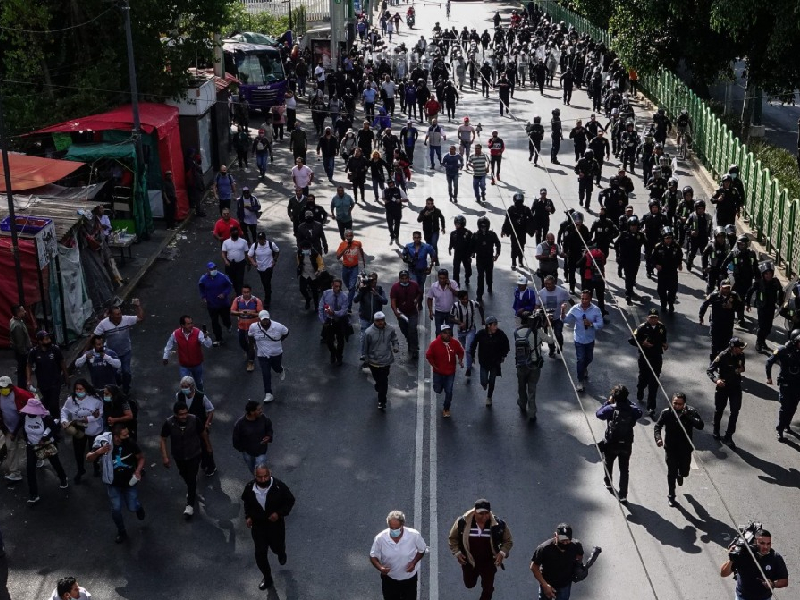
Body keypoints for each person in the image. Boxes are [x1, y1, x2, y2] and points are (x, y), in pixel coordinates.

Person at [86, 424, 145, 542]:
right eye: (125, 435)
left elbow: (141, 458)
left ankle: (138, 508)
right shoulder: (104, 443)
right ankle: (121, 531)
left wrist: (138, 471)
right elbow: (88, 458)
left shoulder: (130, 443)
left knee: (132, 506)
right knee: (116, 509)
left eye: (127, 433)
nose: (128, 436)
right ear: (116, 437)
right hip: (112, 483)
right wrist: (99, 452)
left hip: (129, 482)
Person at [242, 465, 296, 590]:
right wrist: (248, 517)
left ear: (270, 474)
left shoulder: (278, 487)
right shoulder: (250, 488)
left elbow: (290, 500)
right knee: (260, 554)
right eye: (259, 477)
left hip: (275, 526)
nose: (263, 479)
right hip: (258, 526)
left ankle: (281, 553)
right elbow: (247, 503)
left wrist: (279, 513)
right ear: (255, 476)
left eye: (265, 476)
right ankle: (267, 578)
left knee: (277, 547)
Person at [448, 499, 513, 600]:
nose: (484, 516)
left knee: (488, 588)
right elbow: (453, 538)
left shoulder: (498, 524)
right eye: (481, 514)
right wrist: (457, 552)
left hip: (489, 562)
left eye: (487, 513)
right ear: (475, 512)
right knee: (469, 584)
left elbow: (508, 540)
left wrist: (502, 553)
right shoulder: (462, 522)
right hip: (469, 561)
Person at [653, 392, 704, 506]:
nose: (677, 406)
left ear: (684, 404)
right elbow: (657, 426)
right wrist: (658, 438)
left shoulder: (691, 411)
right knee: (671, 472)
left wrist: (688, 416)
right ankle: (671, 495)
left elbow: (700, 425)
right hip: (671, 448)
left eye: (680, 404)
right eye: (675, 403)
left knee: (685, 471)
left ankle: (681, 475)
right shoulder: (666, 413)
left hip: (685, 449)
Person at [596, 384, 642, 504]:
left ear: (614, 397)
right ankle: (623, 495)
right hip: (626, 443)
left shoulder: (611, 408)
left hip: (611, 443)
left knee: (608, 463)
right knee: (624, 469)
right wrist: (629, 402)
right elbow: (640, 413)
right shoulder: (632, 409)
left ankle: (608, 482)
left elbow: (598, 414)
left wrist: (607, 402)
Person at [19, 398, 68, 505]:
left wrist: (45, 438)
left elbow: (55, 428)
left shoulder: (46, 418)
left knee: (55, 463)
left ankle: (63, 478)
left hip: (46, 445)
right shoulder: (23, 417)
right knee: (30, 469)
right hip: (31, 445)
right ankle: (33, 494)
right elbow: (20, 427)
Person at [160, 400, 203, 519]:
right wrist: (165, 456)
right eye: (181, 414)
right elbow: (163, 438)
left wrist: (207, 448)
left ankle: (190, 505)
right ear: (175, 414)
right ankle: (191, 489)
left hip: (194, 454)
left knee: (191, 477)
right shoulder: (169, 423)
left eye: (186, 413)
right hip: (179, 456)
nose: (184, 416)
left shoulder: (194, 420)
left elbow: (203, 434)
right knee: (184, 474)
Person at [370, 510, 427, 600]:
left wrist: (414, 562)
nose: (394, 531)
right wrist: (381, 568)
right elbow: (373, 556)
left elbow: (421, 550)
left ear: (402, 525)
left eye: (396, 528)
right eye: (391, 528)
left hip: (409, 579)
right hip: (389, 580)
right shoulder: (380, 538)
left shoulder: (414, 535)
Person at [92, 300, 144, 396]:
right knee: (114, 373)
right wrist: (86, 351)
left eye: (120, 313)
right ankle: (118, 384)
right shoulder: (104, 324)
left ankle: (125, 389)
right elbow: (95, 335)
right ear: (111, 316)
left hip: (125, 352)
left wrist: (138, 306)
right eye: (116, 314)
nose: (119, 316)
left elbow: (140, 318)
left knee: (126, 372)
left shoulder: (126, 319)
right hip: (112, 354)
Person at [720, 528, 788, 600]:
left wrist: (773, 584)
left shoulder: (775, 558)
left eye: (768, 544)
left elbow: (784, 581)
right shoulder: (743, 554)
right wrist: (731, 559)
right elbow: (723, 573)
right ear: (755, 542)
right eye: (762, 543)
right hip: (742, 597)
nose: (766, 547)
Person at [60, 379, 103, 483]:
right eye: (77, 389)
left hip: (94, 430)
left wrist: (88, 419)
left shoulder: (95, 399)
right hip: (79, 430)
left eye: (81, 389)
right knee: (78, 452)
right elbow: (64, 411)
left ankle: (96, 468)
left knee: (95, 450)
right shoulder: (71, 400)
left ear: (86, 389)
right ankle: (80, 470)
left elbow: (100, 413)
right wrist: (64, 421)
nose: (78, 391)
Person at [707, 337, 747, 449]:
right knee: (719, 409)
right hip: (723, 387)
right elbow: (709, 370)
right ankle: (716, 429)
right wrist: (716, 380)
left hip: (735, 387)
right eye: (740, 347)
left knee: (735, 411)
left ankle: (729, 436)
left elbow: (742, 368)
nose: (742, 349)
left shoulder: (741, 355)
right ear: (733, 348)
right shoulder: (722, 356)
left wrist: (739, 370)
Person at [563, 290, 604, 393]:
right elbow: (566, 320)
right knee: (580, 359)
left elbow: (600, 324)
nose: (584, 301)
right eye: (582, 298)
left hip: (590, 339)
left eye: (586, 299)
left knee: (589, 358)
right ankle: (580, 381)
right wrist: (562, 311)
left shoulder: (596, 310)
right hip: (579, 339)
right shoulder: (575, 309)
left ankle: (584, 368)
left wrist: (591, 324)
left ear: (590, 299)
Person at [530, 524, 584, 600]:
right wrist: (545, 585)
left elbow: (579, 556)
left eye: (568, 540)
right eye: (562, 539)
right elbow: (534, 567)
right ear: (555, 535)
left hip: (565, 585)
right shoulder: (544, 548)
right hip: (548, 583)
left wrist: (578, 567)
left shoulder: (576, 545)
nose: (565, 543)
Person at [631, 309, 668, 418]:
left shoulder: (661, 328)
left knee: (654, 382)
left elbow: (663, 339)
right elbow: (632, 339)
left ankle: (651, 407)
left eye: (655, 317)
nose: (653, 319)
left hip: (657, 357)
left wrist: (665, 345)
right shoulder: (642, 328)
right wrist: (643, 343)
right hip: (645, 357)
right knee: (643, 378)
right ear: (647, 318)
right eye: (651, 317)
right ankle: (640, 390)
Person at [176, 376, 216, 477]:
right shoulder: (179, 395)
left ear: (192, 386)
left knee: (205, 447)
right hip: (188, 428)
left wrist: (207, 423)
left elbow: (210, 410)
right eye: (182, 386)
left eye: (186, 386)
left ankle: (211, 466)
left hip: (200, 427)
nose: (184, 388)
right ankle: (204, 462)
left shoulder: (201, 397)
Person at [162, 315, 213, 390]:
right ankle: (187, 400)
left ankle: (201, 398)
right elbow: (169, 344)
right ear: (182, 325)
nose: (191, 325)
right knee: (185, 386)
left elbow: (208, 345)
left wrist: (206, 337)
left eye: (191, 323)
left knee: (198, 383)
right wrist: (165, 356)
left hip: (197, 365)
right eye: (188, 324)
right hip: (184, 366)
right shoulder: (176, 334)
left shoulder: (198, 332)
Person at [766, 329, 800, 441]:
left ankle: (787, 425)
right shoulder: (783, 350)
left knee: (793, 407)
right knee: (784, 408)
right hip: (785, 383)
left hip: (797, 384)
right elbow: (769, 362)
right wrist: (769, 377)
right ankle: (780, 430)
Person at [248, 311, 289, 403]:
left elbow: (286, 332)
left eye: (267, 319)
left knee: (276, 368)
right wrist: (252, 349)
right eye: (263, 320)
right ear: (259, 319)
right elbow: (250, 337)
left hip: (276, 354)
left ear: (269, 318)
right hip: (262, 355)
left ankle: (280, 370)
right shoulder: (254, 327)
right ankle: (268, 393)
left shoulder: (278, 326)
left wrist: (280, 340)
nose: (265, 321)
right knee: (266, 373)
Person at [26, 330, 68, 418]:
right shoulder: (34, 352)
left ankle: (57, 420)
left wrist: (66, 376)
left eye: (49, 338)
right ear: (40, 341)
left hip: (55, 382)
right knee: (47, 401)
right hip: (43, 383)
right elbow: (29, 365)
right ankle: (48, 418)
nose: (49, 341)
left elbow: (62, 362)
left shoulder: (55, 349)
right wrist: (29, 380)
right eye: (46, 339)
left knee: (54, 404)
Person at [469, 317, 510, 407]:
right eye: (494, 325)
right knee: (483, 380)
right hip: (484, 361)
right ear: (488, 326)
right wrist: (472, 355)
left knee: (492, 381)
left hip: (495, 362)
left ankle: (489, 397)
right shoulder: (481, 334)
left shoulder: (500, 334)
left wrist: (503, 355)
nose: (496, 327)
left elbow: (506, 345)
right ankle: (484, 384)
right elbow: (473, 344)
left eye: (496, 325)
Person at [426, 324, 465, 418]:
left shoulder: (454, 343)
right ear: (441, 334)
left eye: (449, 333)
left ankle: (446, 408)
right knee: (437, 389)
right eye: (445, 333)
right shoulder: (434, 344)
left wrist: (460, 360)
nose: (447, 335)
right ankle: (440, 386)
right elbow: (429, 355)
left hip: (450, 372)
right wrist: (434, 366)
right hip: (438, 372)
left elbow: (460, 351)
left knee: (449, 391)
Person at [0, 376, 33, 483]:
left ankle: (38, 459)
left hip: (23, 426)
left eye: (4, 387)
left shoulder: (21, 394)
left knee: (32, 444)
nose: (2, 389)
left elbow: (33, 403)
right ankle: (15, 473)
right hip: (8, 427)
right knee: (11, 449)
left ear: (10, 386)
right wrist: (4, 428)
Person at [700, 281, 743, 361]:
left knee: (726, 344)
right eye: (724, 288)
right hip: (716, 323)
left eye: (728, 288)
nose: (726, 290)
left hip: (728, 324)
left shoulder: (734, 295)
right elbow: (705, 304)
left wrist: (732, 306)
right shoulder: (714, 295)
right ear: (720, 288)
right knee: (715, 344)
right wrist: (701, 316)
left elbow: (740, 307)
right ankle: (713, 361)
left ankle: (722, 362)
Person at [364, 312, 400, 410]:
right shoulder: (368, 332)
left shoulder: (390, 329)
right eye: (378, 321)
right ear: (374, 321)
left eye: (382, 320)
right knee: (379, 381)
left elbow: (394, 339)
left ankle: (382, 401)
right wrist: (366, 359)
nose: (380, 322)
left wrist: (395, 347)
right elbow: (365, 347)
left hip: (386, 361)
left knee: (384, 381)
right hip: (373, 362)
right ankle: (379, 389)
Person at [746, 261, 783, 352]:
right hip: (762, 307)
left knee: (768, 328)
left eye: (770, 274)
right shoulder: (759, 282)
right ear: (763, 274)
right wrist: (747, 304)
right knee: (762, 326)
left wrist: (781, 301)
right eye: (766, 274)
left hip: (771, 307)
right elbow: (750, 292)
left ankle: (762, 341)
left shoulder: (775, 282)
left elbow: (781, 291)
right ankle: (759, 342)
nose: (768, 276)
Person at [198, 261, 233, 345]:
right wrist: (204, 297)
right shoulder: (203, 279)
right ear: (207, 270)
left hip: (223, 304)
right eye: (211, 269)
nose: (213, 270)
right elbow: (201, 287)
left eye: (214, 268)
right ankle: (219, 338)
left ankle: (228, 325)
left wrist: (224, 294)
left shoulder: (222, 277)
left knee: (225, 318)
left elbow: (229, 286)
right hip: (212, 305)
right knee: (214, 322)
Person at [232, 400, 274, 473]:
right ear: (252, 412)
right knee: (253, 470)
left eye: (261, 408)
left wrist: (268, 436)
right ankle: (257, 479)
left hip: (261, 451)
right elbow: (236, 440)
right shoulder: (240, 424)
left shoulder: (263, 418)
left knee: (260, 470)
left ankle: (260, 480)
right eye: (259, 410)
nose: (261, 411)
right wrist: (243, 449)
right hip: (248, 453)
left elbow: (269, 429)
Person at [230, 283, 263, 372]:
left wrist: (252, 314)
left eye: (248, 292)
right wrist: (240, 313)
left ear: (250, 292)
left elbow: (261, 314)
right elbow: (232, 311)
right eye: (244, 292)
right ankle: (249, 351)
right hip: (241, 326)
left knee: (251, 345)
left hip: (253, 328)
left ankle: (250, 362)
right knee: (242, 343)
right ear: (242, 292)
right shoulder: (237, 300)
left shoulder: (257, 301)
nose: (246, 294)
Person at [391, 270, 423, 360]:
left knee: (412, 329)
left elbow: (419, 293)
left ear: (409, 278)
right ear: (399, 279)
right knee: (405, 330)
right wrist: (395, 311)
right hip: (401, 314)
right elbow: (393, 300)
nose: (404, 281)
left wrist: (416, 300)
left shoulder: (414, 285)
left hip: (412, 312)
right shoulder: (395, 287)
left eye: (406, 278)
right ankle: (410, 341)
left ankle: (414, 349)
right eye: (402, 279)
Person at [319, 279, 351, 365]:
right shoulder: (326, 294)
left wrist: (334, 313)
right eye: (336, 286)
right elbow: (321, 307)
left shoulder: (344, 296)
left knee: (340, 340)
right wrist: (323, 321)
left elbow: (344, 310)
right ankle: (333, 352)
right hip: (330, 320)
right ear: (332, 285)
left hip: (340, 321)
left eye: (339, 287)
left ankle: (339, 356)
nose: (338, 288)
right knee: (329, 341)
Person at [248, 232, 281, 310]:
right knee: (264, 282)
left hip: (269, 267)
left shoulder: (270, 244)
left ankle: (267, 300)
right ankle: (268, 291)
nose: (261, 241)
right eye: (260, 240)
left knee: (266, 282)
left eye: (262, 239)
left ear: (265, 239)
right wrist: (253, 263)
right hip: (260, 268)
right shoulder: (255, 246)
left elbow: (277, 251)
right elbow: (249, 255)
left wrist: (274, 260)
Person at [336, 230, 366, 312]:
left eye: (350, 235)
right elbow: (338, 257)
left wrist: (363, 260)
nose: (349, 237)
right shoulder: (342, 244)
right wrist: (346, 248)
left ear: (353, 236)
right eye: (347, 236)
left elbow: (361, 251)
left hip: (354, 267)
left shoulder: (357, 243)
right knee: (347, 284)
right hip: (345, 267)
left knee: (352, 287)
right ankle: (351, 290)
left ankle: (348, 306)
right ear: (345, 237)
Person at [471, 217, 501, 300]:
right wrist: (472, 253)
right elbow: (471, 245)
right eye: (482, 227)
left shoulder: (492, 235)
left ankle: (489, 285)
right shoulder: (475, 235)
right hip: (480, 259)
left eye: (485, 226)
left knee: (489, 274)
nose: (483, 228)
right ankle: (479, 294)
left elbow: (498, 243)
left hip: (489, 259)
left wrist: (497, 254)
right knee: (480, 276)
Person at [9, 305, 31, 389]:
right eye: (23, 311)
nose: (25, 312)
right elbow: (20, 342)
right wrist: (25, 353)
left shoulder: (15, 320)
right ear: (18, 313)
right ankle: (22, 388)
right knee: (22, 371)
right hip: (22, 352)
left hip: (19, 351)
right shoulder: (17, 326)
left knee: (22, 371)